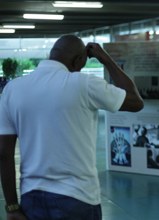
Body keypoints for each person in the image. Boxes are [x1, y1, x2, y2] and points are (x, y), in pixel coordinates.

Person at [0, 35, 144, 220]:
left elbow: (3, 153)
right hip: (79, 198)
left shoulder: (13, 89)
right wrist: (105, 59)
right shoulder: (84, 83)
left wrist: (12, 206)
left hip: (32, 197)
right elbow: (135, 101)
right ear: (78, 60)